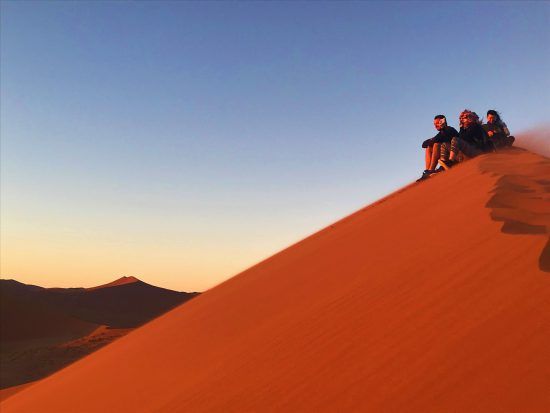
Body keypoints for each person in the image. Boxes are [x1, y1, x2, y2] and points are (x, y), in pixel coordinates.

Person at [417, 115, 459, 181]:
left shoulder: (450, 129)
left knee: (436, 145)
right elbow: (424, 144)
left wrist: (431, 140)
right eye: (434, 124)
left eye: (437, 123)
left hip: (455, 157)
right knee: (429, 148)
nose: (435, 126)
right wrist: (431, 141)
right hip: (446, 155)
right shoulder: (441, 133)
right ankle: (428, 171)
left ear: (443, 121)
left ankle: (431, 170)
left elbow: (436, 140)